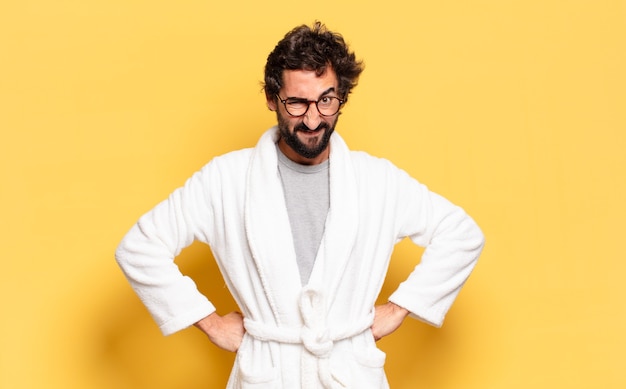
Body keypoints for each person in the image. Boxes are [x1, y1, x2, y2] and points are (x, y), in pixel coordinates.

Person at [115, 21, 484, 389]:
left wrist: (402, 307)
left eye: (326, 100)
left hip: (350, 374)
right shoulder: (226, 180)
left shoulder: (377, 180)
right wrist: (210, 323)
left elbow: (461, 234)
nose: (312, 119)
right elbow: (140, 248)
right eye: (297, 102)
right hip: (267, 376)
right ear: (272, 98)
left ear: (342, 96)